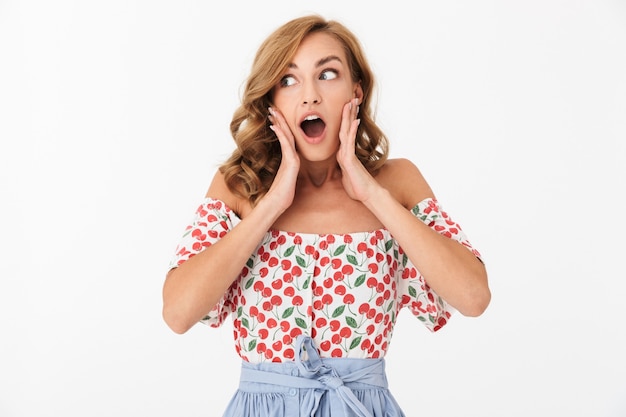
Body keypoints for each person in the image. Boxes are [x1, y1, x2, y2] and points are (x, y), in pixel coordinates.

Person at [162, 14, 490, 417]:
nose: (309, 96)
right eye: (288, 80)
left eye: (328, 74)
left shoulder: (397, 181)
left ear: (356, 91)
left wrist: (371, 193)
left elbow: (474, 298)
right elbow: (177, 313)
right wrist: (271, 204)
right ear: (270, 102)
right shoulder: (240, 186)